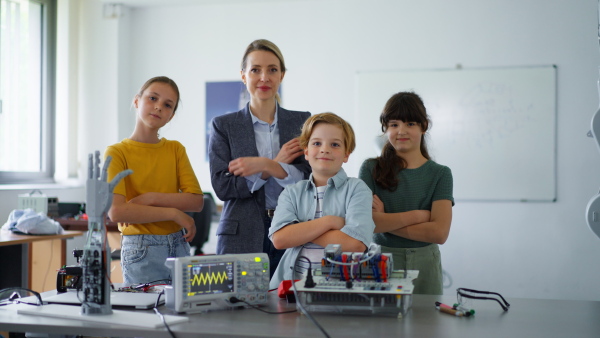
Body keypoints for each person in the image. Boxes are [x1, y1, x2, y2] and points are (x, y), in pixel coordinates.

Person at [209, 39, 311, 276]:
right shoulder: (224, 125)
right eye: (255, 70)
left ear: (281, 75)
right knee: (239, 309)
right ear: (243, 75)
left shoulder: (302, 121)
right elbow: (223, 186)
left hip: (292, 230)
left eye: (272, 70)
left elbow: (310, 180)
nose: (264, 77)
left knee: (290, 307)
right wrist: (272, 166)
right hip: (240, 234)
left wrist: (268, 166)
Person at [105, 76, 204, 285]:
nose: (158, 107)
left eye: (167, 105)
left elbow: (195, 200)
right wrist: (174, 213)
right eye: (153, 98)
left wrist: (150, 198)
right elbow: (117, 212)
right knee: (147, 315)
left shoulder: (175, 149)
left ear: (171, 115)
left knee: (186, 314)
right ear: (137, 101)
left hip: (179, 246)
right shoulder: (116, 153)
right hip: (141, 250)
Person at [358, 91, 454, 295]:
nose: (401, 131)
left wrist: (385, 220)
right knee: (382, 323)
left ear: (423, 126)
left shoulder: (440, 174)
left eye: (410, 123)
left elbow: (439, 233)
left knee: (426, 325)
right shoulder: (370, 169)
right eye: (393, 124)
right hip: (381, 260)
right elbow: (365, 224)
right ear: (386, 129)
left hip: (425, 262)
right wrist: (418, 216)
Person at [269, 113, 375, 289]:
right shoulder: (291, 192)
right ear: (306, 152)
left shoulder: (357, 189)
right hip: (292, 287)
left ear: (346, 154)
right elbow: (280, 239)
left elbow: (355, 244)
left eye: (335, 144)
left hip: (341, 288)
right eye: (317, 143)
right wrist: (329, 222)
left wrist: (300, 232)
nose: (325, 149)